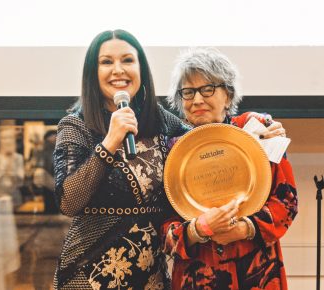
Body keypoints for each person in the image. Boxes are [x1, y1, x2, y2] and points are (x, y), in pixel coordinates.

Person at [53, 29, 189, 289]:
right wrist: (109, 143)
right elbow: (68, 202)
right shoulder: (75, 126)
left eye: (127, 60)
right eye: (106, 62)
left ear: (141, 68)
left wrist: (253, 126)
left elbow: (203, 143)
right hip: (90, 275)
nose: (118, 70)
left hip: (150, 274)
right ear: (93, 73)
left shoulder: (161, 121)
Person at [162, 47, 298, 289]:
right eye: (188, 92)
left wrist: (245, 229)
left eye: (207, 89)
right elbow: (162, 226)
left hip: (257, 272)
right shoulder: (170, 152)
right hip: (198, 276)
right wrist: (197, 230)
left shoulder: (258, 132)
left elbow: (286, 203)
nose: (197, 100)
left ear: (228, 95)